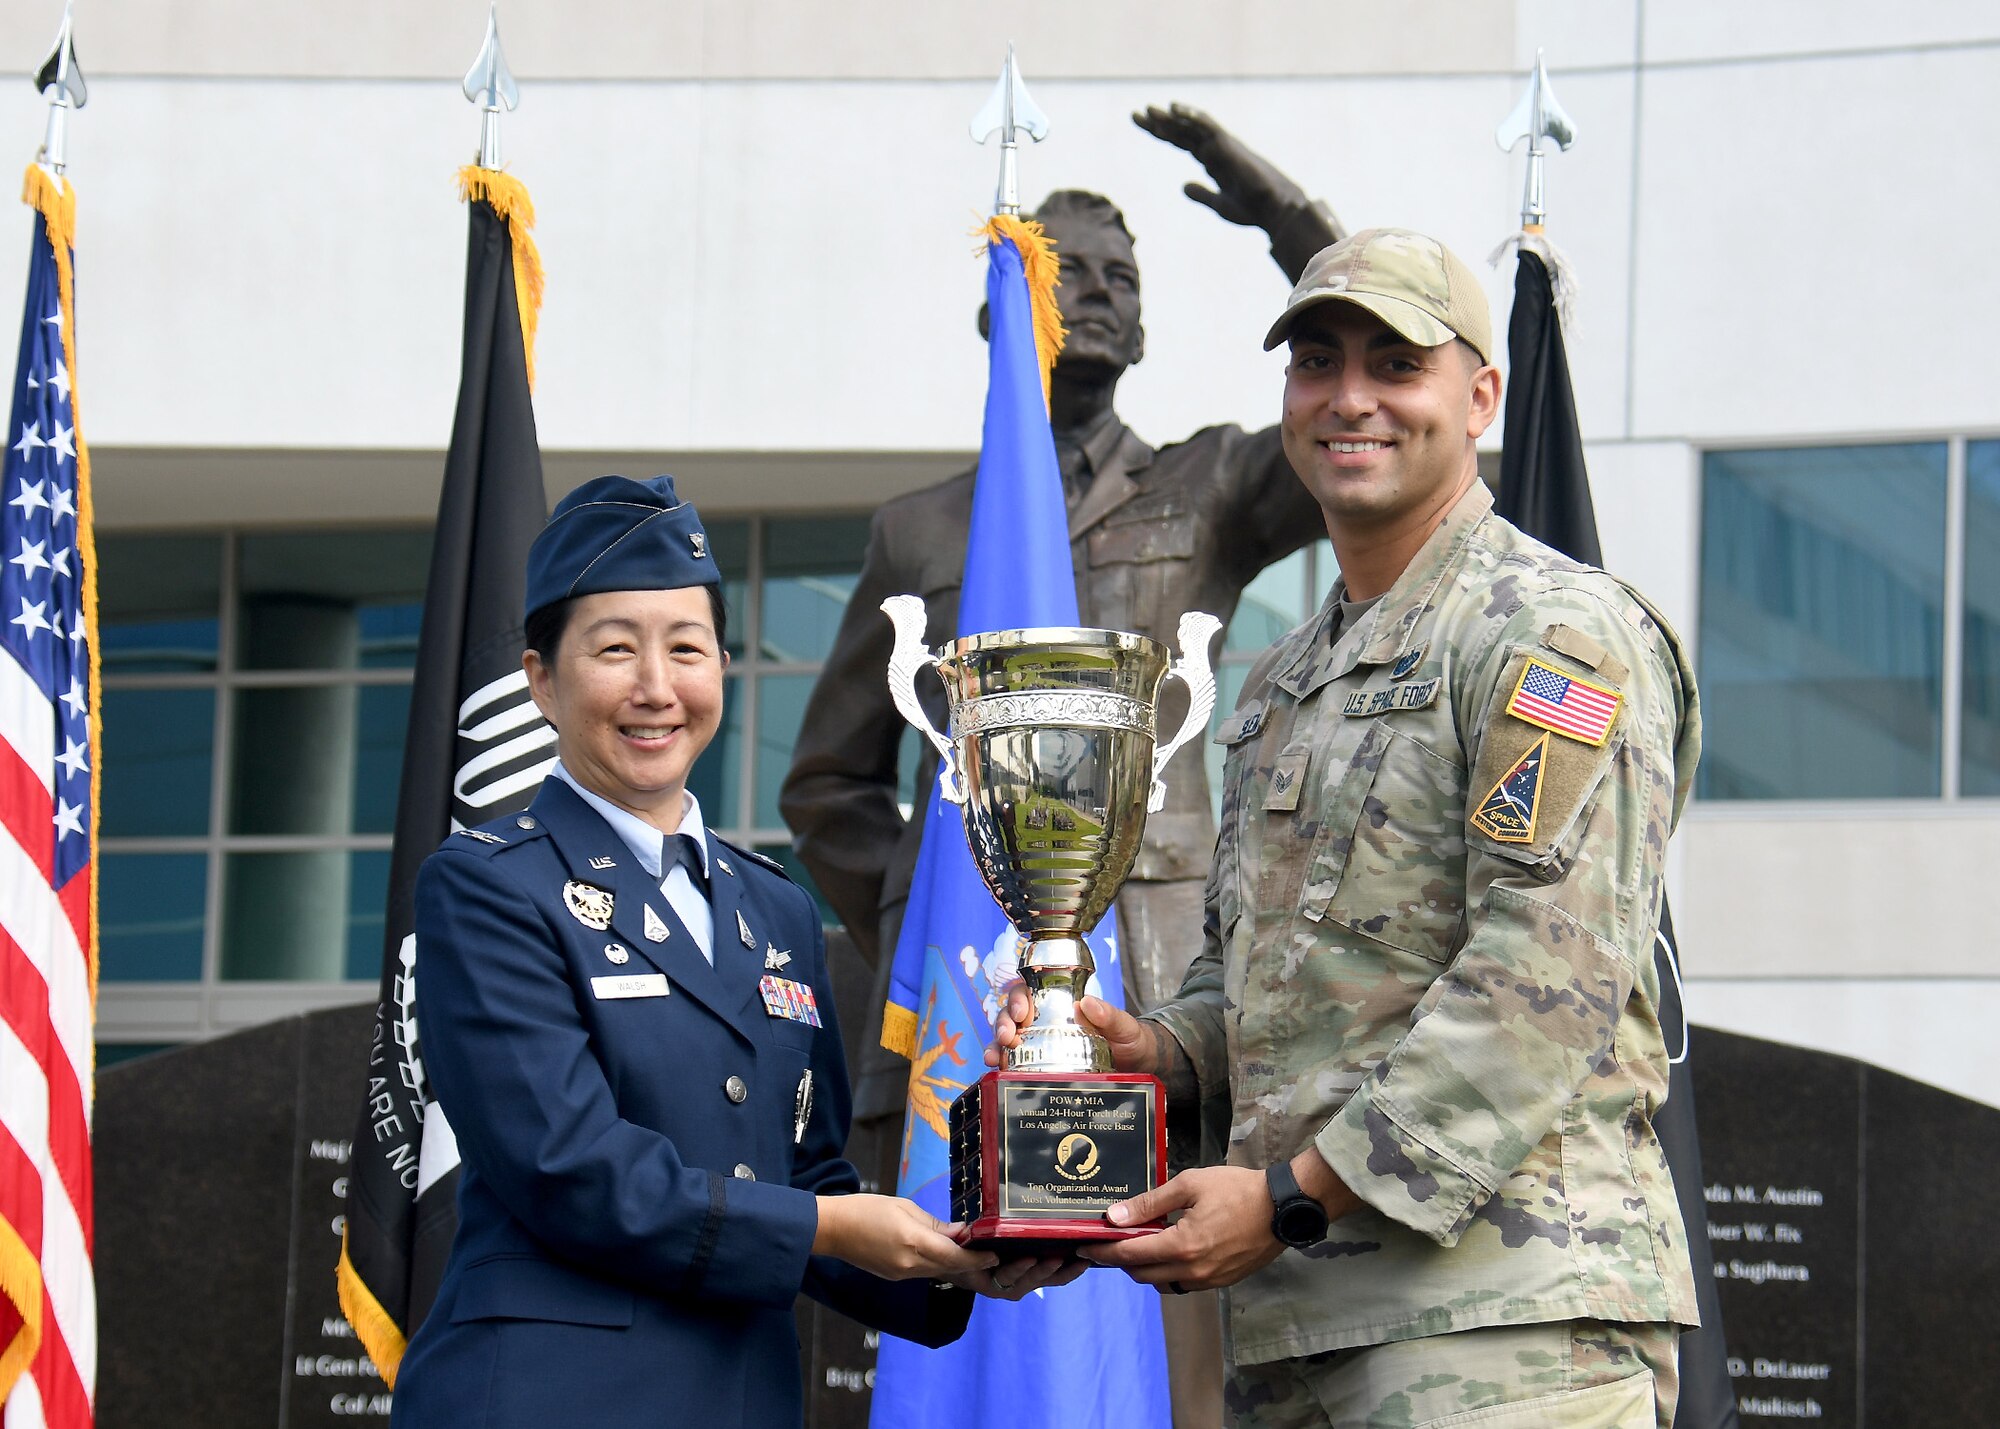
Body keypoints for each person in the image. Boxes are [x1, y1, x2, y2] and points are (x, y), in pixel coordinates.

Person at [993, 229, 1702, 1428]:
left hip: (1505, 1327)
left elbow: (1541, 984)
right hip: (1300, 1331)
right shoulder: (1276, 684)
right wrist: (1146, 1053)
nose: (1349, 398)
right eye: (1315, 362)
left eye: (1394, 363)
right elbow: (1265, 990)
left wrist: (1289, 1197)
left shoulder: (1551, 635)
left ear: (1477, 397)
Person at [781, 110, 1340, 1426]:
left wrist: (1291, 227)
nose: (1095, 297)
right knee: (963, 1364)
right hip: (971, 1020)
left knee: (1171, 1383)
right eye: (1065, 270)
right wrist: (939, 919)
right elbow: (827, 780)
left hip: (1165, 1016)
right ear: (1004, 301)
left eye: (1120, 280)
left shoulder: (1209, 486)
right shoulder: (920, 530)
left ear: (1145, 330)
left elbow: (1365, 395)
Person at [389, 475, 1077, 1429]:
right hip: (546, 1397)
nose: (656, 689)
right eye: (615, 650)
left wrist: (965, 1249)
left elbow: (809, 1178)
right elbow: (568, 1166)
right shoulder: (487, 887)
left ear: (724, 669)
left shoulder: (776, 906)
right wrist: (832, 1227)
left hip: (739, 1397)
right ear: (543, 680)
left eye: (686, 649)